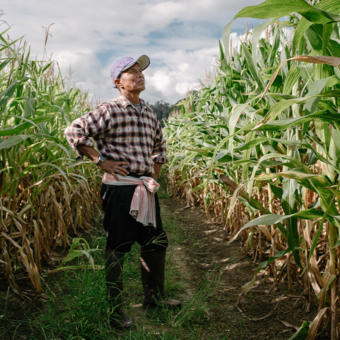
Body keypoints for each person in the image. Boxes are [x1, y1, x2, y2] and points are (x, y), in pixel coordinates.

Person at [64, 55, 180, 329]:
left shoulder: (150, 113)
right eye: (132, 72)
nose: (139, 75)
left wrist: (153, 177)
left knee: (155, 242)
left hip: (144, 188)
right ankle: (115, 309)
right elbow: (74, 130)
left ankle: (155, 297)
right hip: (119, 189)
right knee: (118, 246)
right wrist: (99, 160)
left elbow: (159, 150)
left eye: (141, 71)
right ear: (118, 82)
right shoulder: (110, 110)